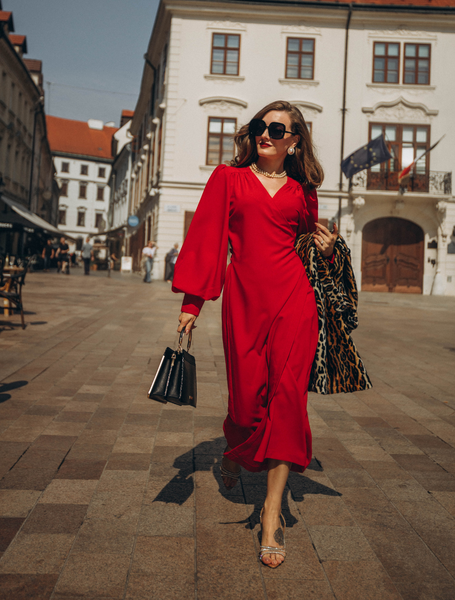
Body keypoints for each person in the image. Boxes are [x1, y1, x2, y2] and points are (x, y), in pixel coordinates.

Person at [173, 101, 337, 569]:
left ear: (294, 141)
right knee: (246, 406)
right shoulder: (229, 178)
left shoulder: (304, 191)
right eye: (260, 126)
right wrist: (192, 302)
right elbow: (206, 237)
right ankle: (234, 452)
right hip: (244, 302)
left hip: (294, 301)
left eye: (277, 128)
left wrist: (325, 251)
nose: (266, 133)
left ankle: (271, 514)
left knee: (287, 401)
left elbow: (307, 247)